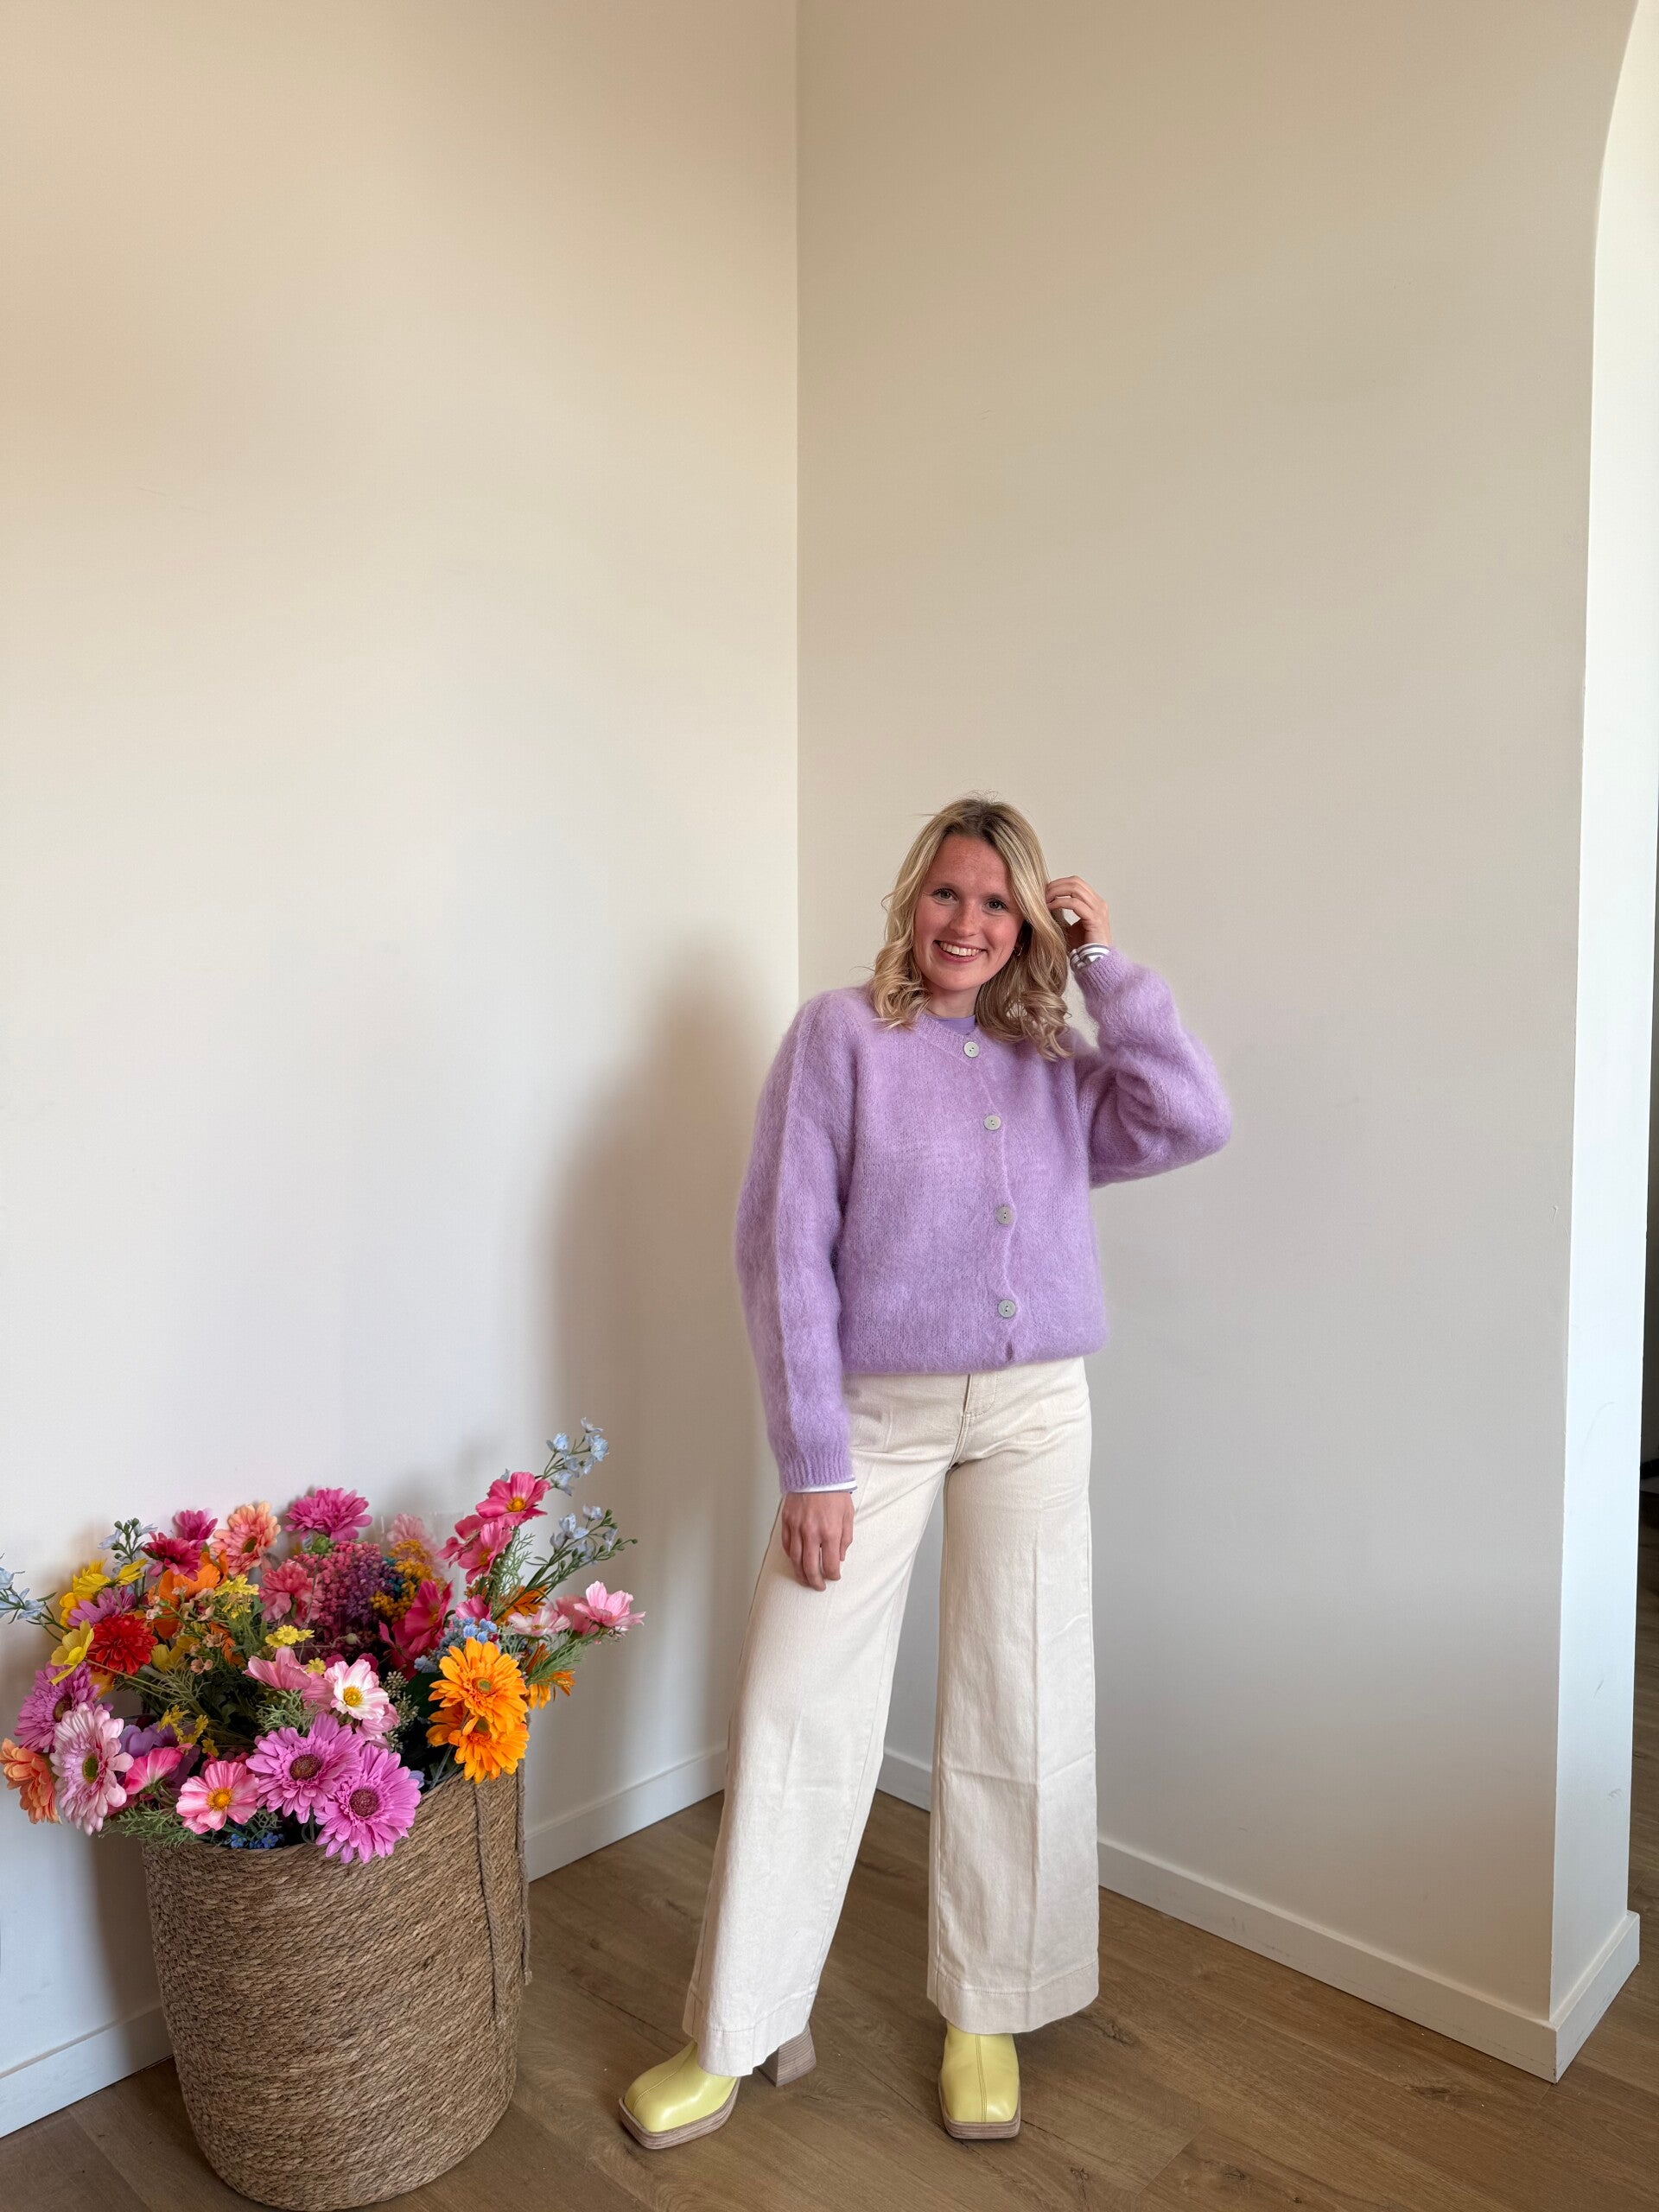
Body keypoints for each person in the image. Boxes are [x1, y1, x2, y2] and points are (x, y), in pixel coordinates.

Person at [618, 794, 1231, 2149]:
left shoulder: (1057, 1063)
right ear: (911, 901)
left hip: (1035, 1412)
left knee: (1022, 1695)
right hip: (874, 1423)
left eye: (998, 903)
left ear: (1030, 926)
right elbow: (782, 1250)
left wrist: (1107, 970)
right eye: (948, 893)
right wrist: (814, 1461)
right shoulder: (840, 1037)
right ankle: (736, 2027)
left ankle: (987, 2009)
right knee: (798, 1704)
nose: (967, 922)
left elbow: (1192, 1118)